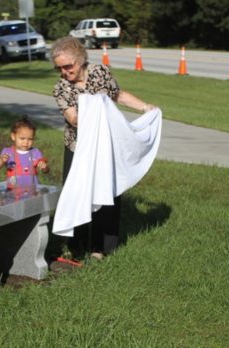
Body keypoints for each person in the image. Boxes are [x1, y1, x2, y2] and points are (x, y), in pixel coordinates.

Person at [51, 36, 156, 260]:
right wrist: (95, 106)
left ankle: (102, 248)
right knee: (78, 193)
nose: (64, 72)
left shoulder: (101, 72)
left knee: (108, 194)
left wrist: (146, 107)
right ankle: (77, 248)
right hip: (78, 149)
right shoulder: (61, 88)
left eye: (68, 66)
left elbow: (117, 94)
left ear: (80, 59)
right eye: (59, 67)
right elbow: (74, 119)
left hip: (106, 147)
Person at [0, 116, 49, 193]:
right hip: (13, 192)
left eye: (30, 139)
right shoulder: (7, 152)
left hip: (32, 192)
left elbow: (46, 171)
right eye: (22, 138)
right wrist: (1, 160)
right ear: (13, 136)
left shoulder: (35, 152)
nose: (26, 142)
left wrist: (44, 167)